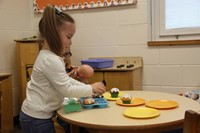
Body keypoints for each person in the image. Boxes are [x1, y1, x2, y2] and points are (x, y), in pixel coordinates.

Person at [19, 5, 106, 133]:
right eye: (69, 37)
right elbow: (67, 89)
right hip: (35, 118)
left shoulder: (51, 57)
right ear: (53, 34)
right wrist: (90, 88)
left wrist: (89, 89)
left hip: (37, 116)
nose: (71, 43)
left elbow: (66, 81)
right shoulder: (50, 60)